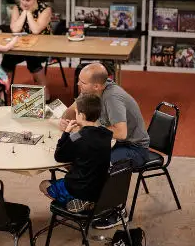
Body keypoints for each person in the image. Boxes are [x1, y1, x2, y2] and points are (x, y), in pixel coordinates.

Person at [60, 63, 150, 229]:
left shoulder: (112, 98)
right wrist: (64, 119)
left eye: (82, 82)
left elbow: (121, 133)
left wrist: (88, 125)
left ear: (97, 85)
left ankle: (116, 211)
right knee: (78, 157)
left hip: (134, 148)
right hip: (115, 142)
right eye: (79, 80)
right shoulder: (89, 91)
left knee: (99, 165)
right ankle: (92, 199)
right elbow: (72, 109)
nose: (77, 84)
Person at [39, 93, 113, 213]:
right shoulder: (105, 133)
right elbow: (87, 137)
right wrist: (77, 131)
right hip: (98, 187)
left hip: (78, 188)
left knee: (43, 185)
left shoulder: (79, 138)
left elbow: (59, 156)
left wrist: (67, 132)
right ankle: (88, 201)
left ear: (82, 115)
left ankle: (73, 203)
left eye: (77, 112)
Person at [1, 0, 52, 100]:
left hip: (42, 47)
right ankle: (2, 92)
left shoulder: (45, 9)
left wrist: (28, 13)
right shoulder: (16, 9)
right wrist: (23, 13)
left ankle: (45, 92)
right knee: (8, 57)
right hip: (22, 46)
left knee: (32, 58)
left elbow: (35, 30)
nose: (24, 2)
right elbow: (15, 29)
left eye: (28, 0)